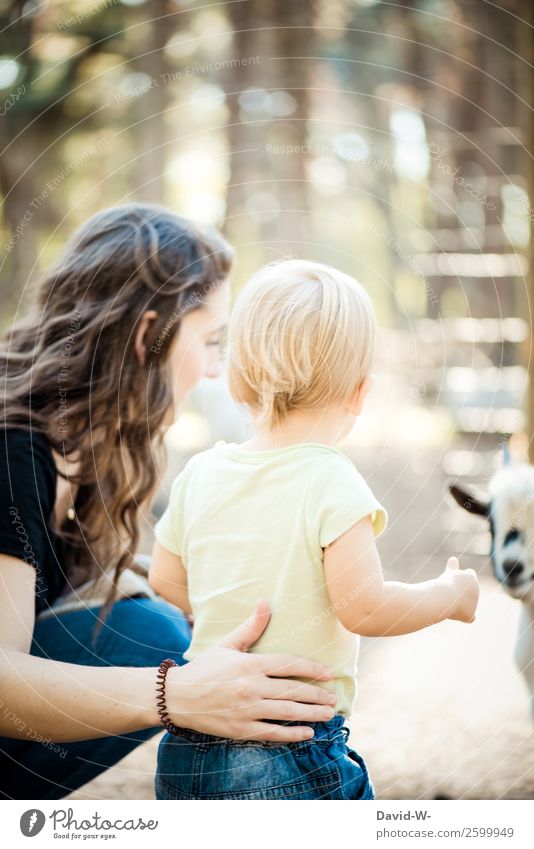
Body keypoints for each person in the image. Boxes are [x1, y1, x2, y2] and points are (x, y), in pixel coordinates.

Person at [0, 207, 337, 801]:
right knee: (151, 633)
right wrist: (175, 693)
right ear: (145, 335)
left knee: (165, 623)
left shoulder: (82, 446)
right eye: (210, 341)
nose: (213, 369)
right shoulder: (12, 447)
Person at [149, 258, 480, 800]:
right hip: (289, 748)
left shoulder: (200, 474)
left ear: (236, 379)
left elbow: (167, 590)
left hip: (190, 742)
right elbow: (364, 606)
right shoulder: (331, 480)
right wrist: (447, 596)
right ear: (358, 391)